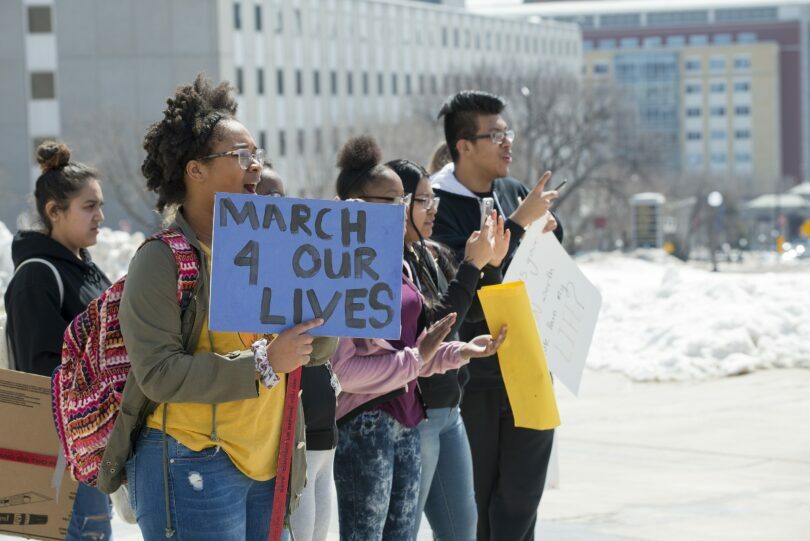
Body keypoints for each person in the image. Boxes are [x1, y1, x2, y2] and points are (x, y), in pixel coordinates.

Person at [94, 74, 338, 540]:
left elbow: (317, 350)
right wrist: (264, 363)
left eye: (257, 155)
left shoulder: (274, 250)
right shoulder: (161, 260)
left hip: (269, 464)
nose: (256, 168)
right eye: (241, 156)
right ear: (195, 170)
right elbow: (159, 374)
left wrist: (333, 282)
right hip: (190, 464)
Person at [330, 136, 507, 541]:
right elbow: (344, 372)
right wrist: (416, 360)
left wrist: (458, 351)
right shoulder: (340, 268)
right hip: (365, 424)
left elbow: (418, 346)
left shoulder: (398, 265)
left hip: (408, 416)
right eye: (392, 201)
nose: (403, 210)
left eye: (403, 201)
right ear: (356, 204)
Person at [430, 90, 563, 541]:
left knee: (523, 500)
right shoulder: (437, 208)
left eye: (508, 133)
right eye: (495, 135)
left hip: (527, 367)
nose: (508, 143)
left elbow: (542, 271)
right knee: (477, 506)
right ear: (463, 146)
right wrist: (520, 225)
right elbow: (460, 298)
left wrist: (548, 232)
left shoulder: (514, 192)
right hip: (473, 378)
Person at [387, 158, 510, 541]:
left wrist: (489, 266)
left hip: (449, 410)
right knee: (402, 531)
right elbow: (436, 328)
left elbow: (468, 310)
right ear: (398, 203)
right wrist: (472, 265)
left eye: (432, 199)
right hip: (414, 413)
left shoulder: (430, 252)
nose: (433, 208)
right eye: (422, 200)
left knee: (462, 530)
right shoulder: (385, 260)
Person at [4, 140, 114, 540]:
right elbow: (42, 372)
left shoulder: (84, 269)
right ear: (54, 212)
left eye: (100, 205)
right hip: (59, 455)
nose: (101, 216)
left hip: (91, 445)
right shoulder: (37, 275)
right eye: (89, 207)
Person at [256, 164, 337, 541]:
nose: (275, 207)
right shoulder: (244, 268)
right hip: (284, 432)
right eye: (262, 197)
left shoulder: (303, 260)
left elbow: (323, 348)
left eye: (280, 198)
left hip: (321, 427)